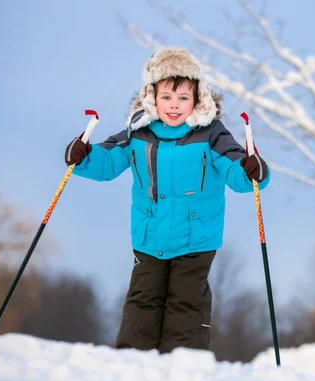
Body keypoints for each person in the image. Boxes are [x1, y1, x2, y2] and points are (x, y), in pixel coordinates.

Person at [64, 47, 270, 353]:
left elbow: (238, 173)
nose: (174, 106)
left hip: (196, 239)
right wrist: (81, 156)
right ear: (152, 97)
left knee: (186, 307)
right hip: (150, 237)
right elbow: (106, 162)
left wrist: (253, 170)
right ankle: (132, 364)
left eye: (183, 98)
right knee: (142, 304)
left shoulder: (211, 134)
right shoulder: (138, 132)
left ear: (197, 98)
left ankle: (182, 370)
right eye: (167, 97)